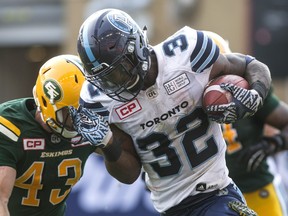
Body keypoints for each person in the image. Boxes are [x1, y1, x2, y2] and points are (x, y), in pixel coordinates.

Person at [73, 8, 272, 215]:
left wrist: (255, 95)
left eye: (120, 70)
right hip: (171, 208)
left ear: (137, 46)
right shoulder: (98, 100)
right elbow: (130, 174)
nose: (116, 83)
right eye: (107, 78)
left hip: (215, 194)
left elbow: (251, 65)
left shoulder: (186, 53)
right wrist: (108, 144)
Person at [0, 54, 100, 216]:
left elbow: (128, 169)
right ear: (47, 103)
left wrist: (109, 140)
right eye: (70, 112)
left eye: (84, 109)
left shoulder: (91, 123)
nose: (79, 120)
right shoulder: (9, 126)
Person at [206, 31, 288, 215]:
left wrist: (272, 144)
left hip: (255, 189)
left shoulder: (248, 91)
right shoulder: (183, 103)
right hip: (210, 200)